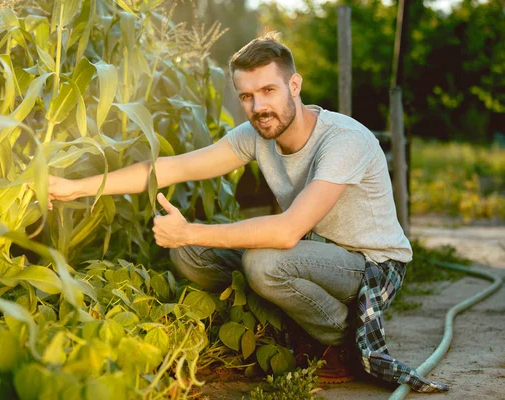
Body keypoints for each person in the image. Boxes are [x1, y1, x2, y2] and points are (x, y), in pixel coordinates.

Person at [47, 32, 448, 392]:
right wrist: (76, 187)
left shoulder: (343, 141)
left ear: (295, 85)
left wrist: (192, 231)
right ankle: (278, 325)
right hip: (312, 253)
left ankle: (341, 341)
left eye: (269, 90)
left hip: (371, 265)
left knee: (263, 262)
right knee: (188, 255)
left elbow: (287, 232)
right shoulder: (256, 135)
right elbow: (173, 168)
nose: (258, 107)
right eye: (246, 96)